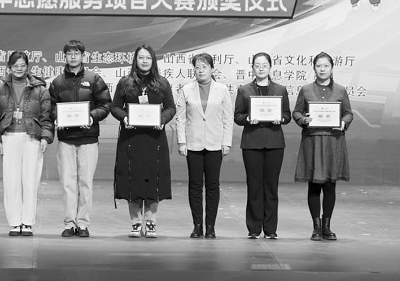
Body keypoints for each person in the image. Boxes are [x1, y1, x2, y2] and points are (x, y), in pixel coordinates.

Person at [110, 45, 176, 239]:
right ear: (135, 60)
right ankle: (136, 222)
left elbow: (170, 107)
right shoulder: (125, 82)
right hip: (131, 138)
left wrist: (162, 119)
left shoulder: (162, 83)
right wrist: (125, 117)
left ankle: (151, 221)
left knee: (154, 179)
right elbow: (115, 107)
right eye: (141, 57)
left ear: (153, 60)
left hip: (155, 138)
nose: (144, 61)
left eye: (148, 57)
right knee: (133, 178)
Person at [49, 39, 112, 238]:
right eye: (70, 53)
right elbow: (50, 107)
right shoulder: (57, 82)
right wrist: (57, 117)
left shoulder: (94, 79)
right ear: (65, 56)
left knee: (85, 182)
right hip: (66, 139)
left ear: (83, 56)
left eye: (77, 53)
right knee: (68, 183)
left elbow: (105, 105)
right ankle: (70, 223)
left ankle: (83, 223)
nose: (73, 56)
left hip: (88, 139)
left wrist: (91, 117)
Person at [292, 52, 353, 241]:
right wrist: (303, 120)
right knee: (314, 184)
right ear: (314, 68)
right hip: (313, 141)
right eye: (319, 66)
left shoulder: (341, 90)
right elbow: (296, 112)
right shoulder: (306, 90)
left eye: (326, 66)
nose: (322, 69)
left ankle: (327, 227)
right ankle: (316, 227)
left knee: (329, 185)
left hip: (333, 141)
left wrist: (343, 122)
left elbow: (348, 113)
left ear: (332, 68)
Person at [0, 51, 53, 237]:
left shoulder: (40, 89)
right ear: (9, 68)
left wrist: (45, 137)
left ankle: (27, 222)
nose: (19, 69)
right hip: (9, 137)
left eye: (22, 65)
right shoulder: (0, 88)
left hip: (32, 138)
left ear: (28, 67)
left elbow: (47, 117)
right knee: (11, 182)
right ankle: (14, 222)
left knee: (30, 181)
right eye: (15, 66)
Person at [234, 52, 292, 240]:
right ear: (252, 68)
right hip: (252, 143)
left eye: (264, 65)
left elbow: (287, 115)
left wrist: (280, 118)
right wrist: (248, 118)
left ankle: (270, 229)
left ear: (270, 67)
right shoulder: (244, 90)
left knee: (271, 186)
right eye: (257, 65)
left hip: (274, 143)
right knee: (254, 186)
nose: (261, 68)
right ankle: (254, 228)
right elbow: (238, 116)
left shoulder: (280, 89)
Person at [175, 53, 233, 239]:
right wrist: (182, 142)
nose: (200, 70)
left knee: (213, 185)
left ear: (212, 69)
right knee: (195, 185)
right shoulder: (186, 90)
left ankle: (211, 226)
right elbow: (180, 119)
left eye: (204, 67)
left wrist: (226, 142)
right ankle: (197, 225)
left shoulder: (222, 90)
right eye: (197, 67)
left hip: (215, 143)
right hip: (193, 143)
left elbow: (228, 118)